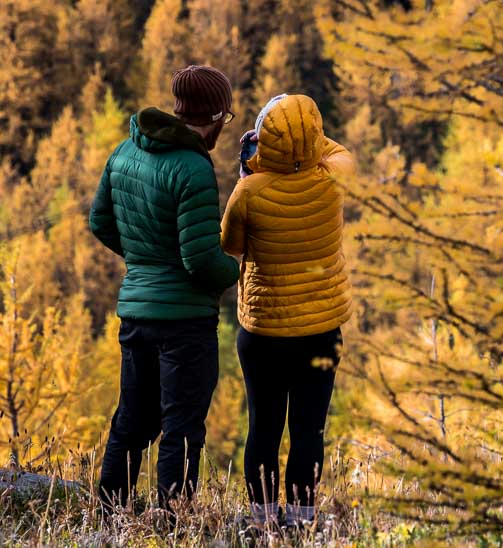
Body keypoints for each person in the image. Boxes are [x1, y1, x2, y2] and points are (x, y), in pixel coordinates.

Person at [89, 65, 240, 512]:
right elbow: (199, 260)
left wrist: (144, 262)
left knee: (131, 421)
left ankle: (108, 513)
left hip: (136, 313)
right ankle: (173, 524)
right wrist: (239, 270)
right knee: (181, 428)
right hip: (184, 325)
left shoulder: (124, 151)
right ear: (214, 116)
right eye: (225, 119)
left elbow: (100, 223)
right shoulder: (192, 167)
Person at [221, 94, 354, 526]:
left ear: (265, 142)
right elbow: (329, 149)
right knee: (308, 428)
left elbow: (232, 246)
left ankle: (260, 519)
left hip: (265, 334)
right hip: (321, 329)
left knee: (264, 425)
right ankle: (300, 517)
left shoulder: (248, 191)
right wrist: (301, 139)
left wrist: (252, 167)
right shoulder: (335, 175)